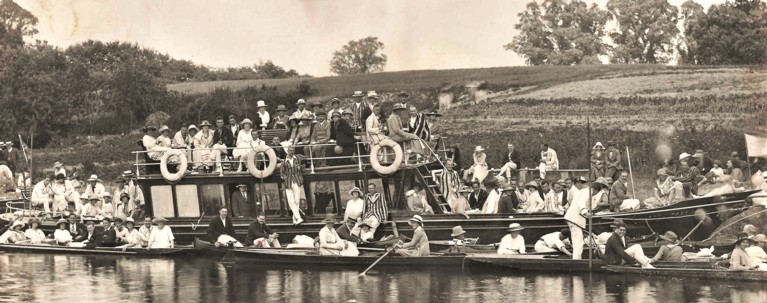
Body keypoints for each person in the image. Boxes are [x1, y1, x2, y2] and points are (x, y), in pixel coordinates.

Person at [564, 176, 590, 259]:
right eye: (580, 183)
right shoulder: (576, 191)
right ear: (576, 183)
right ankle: (576, 260)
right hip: (575, 217)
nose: (581, 184)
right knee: (577, 241)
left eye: (583, 183)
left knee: (578, 241)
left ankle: (577, 258)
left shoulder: (576, 190)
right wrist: (585, 211)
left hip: (573, 216)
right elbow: (579, 203)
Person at [280, 143, 305, 225]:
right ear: (287, 151)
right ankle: (299, 218)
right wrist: (285, 178)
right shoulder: (284, 162)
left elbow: (302, 166)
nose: (292, 152)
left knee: (297, 201)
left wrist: (300, 169)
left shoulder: (297, 158)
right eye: (290, 151)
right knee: (290, 201)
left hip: (297, 181)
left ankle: (295, 219)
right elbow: (282, 173)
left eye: (293, 150)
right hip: (288, 183)